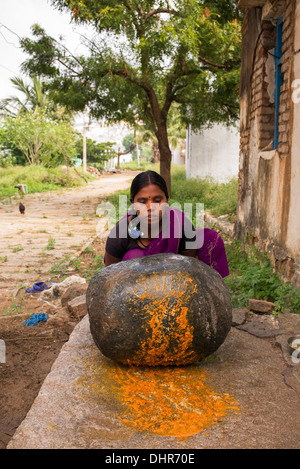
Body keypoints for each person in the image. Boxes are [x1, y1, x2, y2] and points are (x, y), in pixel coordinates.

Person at [104, 170, 229, 278]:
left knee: (210, 238)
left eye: (157, 201)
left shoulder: (180, 225)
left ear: (167, 200)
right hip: (133, 293)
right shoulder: (120, 233)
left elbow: (187, 267)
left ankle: (211, 295)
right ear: (133, 203)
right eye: (142, 202)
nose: (150, 207)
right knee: (135, 256)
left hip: (173, 279)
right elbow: (111, 275)